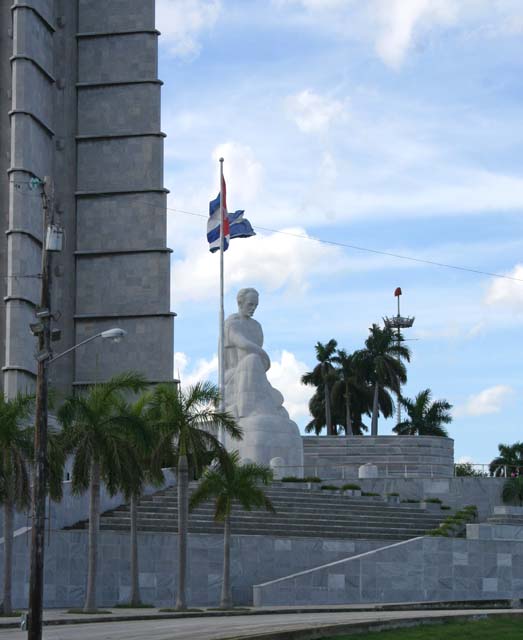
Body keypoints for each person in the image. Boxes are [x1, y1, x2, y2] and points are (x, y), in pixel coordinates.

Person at [224, 288, 287, 419]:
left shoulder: (256, 326)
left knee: (253, 361)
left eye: (256, 305)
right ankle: (244, 409)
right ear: (240, 303)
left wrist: (262, 358)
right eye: (250, 304)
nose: (253, 308)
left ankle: (260, 405)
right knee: (251, 359)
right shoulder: (232, 323)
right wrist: (262, 354)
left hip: (255, 372)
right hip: (233, 373)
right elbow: (242, 342)